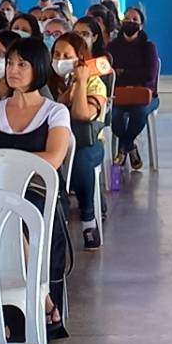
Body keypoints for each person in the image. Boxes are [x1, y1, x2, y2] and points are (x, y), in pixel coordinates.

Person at [0, 37, 70, 336]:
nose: (12, 69)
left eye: (22, 64)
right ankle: (39, 299)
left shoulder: (55, 112)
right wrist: (10, 166)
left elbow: (52, 158)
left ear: (37, 68)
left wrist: (2, 163)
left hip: (37, 192)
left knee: (16, 213)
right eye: (10, 63)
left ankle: (35, 301)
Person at [49, 32, 106, 249]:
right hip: (55, 142)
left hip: (88, 143)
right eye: (56, 54)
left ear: (80, 58)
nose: (60, 59)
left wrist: (81, 83)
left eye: (66, 55)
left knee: (81, 160)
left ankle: (88, 219)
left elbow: (82, 114)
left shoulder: (95, 84)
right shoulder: (48, 81)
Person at [107, 7, 160, 170]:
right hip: (119, 96)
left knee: (139, 113)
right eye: (127, 19)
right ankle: (130, 147)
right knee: (114, 117)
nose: (130, 22)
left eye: (135, 19)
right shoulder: (112, 47)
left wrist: (123, 72)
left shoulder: (148, 47)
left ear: (141, 25)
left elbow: (149, 75)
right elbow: (108, 72)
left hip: (144, 96)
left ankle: (122, 149)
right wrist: (129, 74)